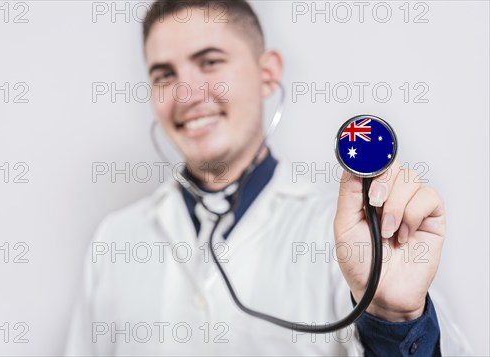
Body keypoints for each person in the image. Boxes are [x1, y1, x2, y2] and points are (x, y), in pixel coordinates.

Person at [65, 1, 469, 355]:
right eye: (164, 75)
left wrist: (393, 319)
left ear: (267, 73)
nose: (186, 94)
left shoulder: (362, 234)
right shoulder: (115, 239)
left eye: (209, 62)